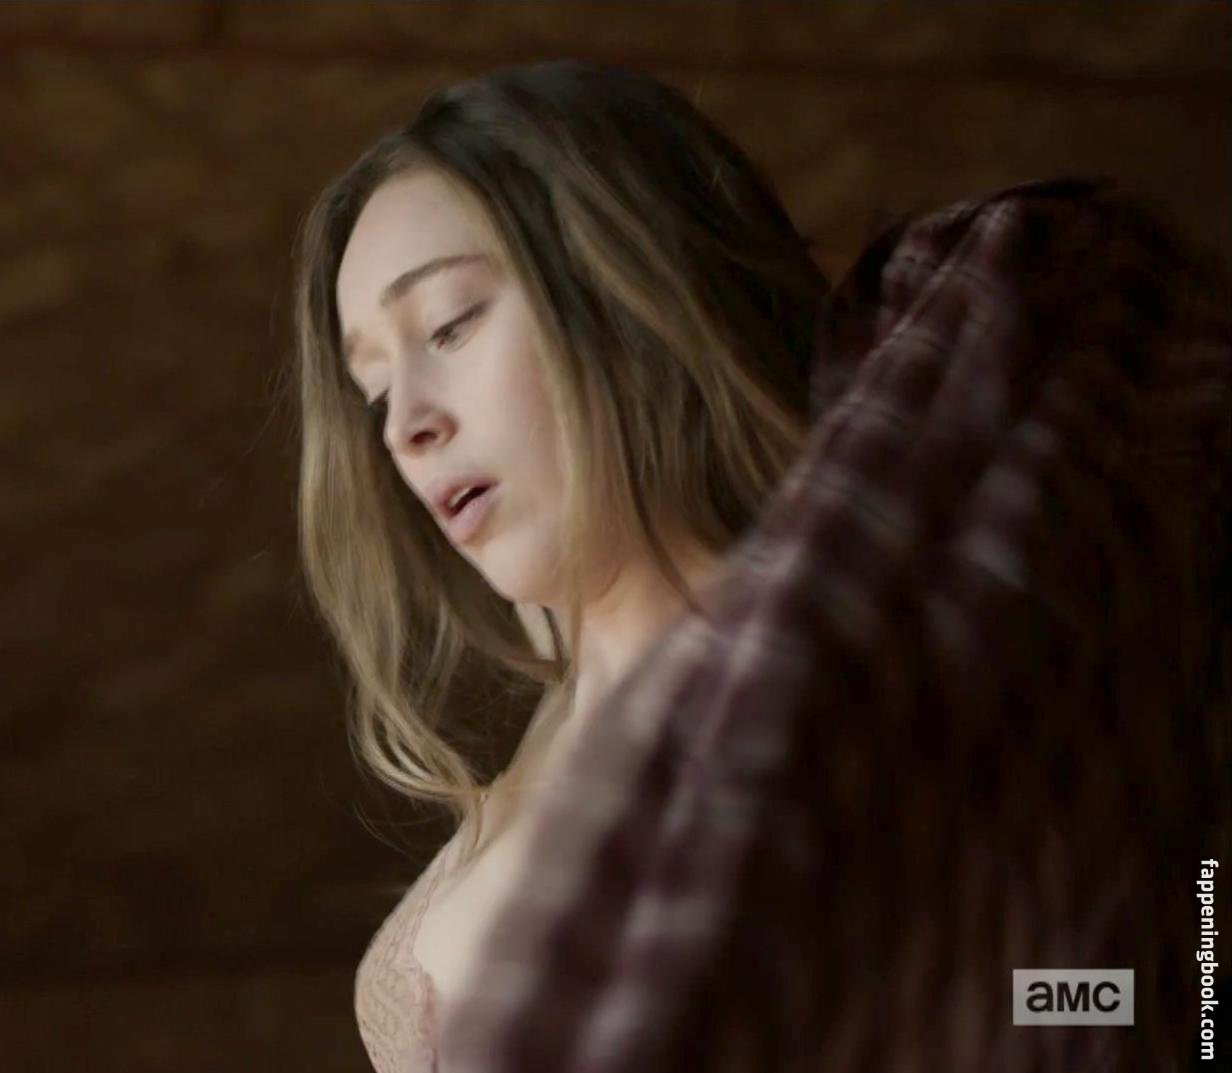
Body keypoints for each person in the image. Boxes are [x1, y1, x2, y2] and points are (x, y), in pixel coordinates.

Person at [289, 61, 1231, 1072]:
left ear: (628, 285)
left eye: (450, 323)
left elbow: (1129, 991)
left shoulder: (877, 671)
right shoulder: (551, 725)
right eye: (373, 388)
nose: (407, 424)